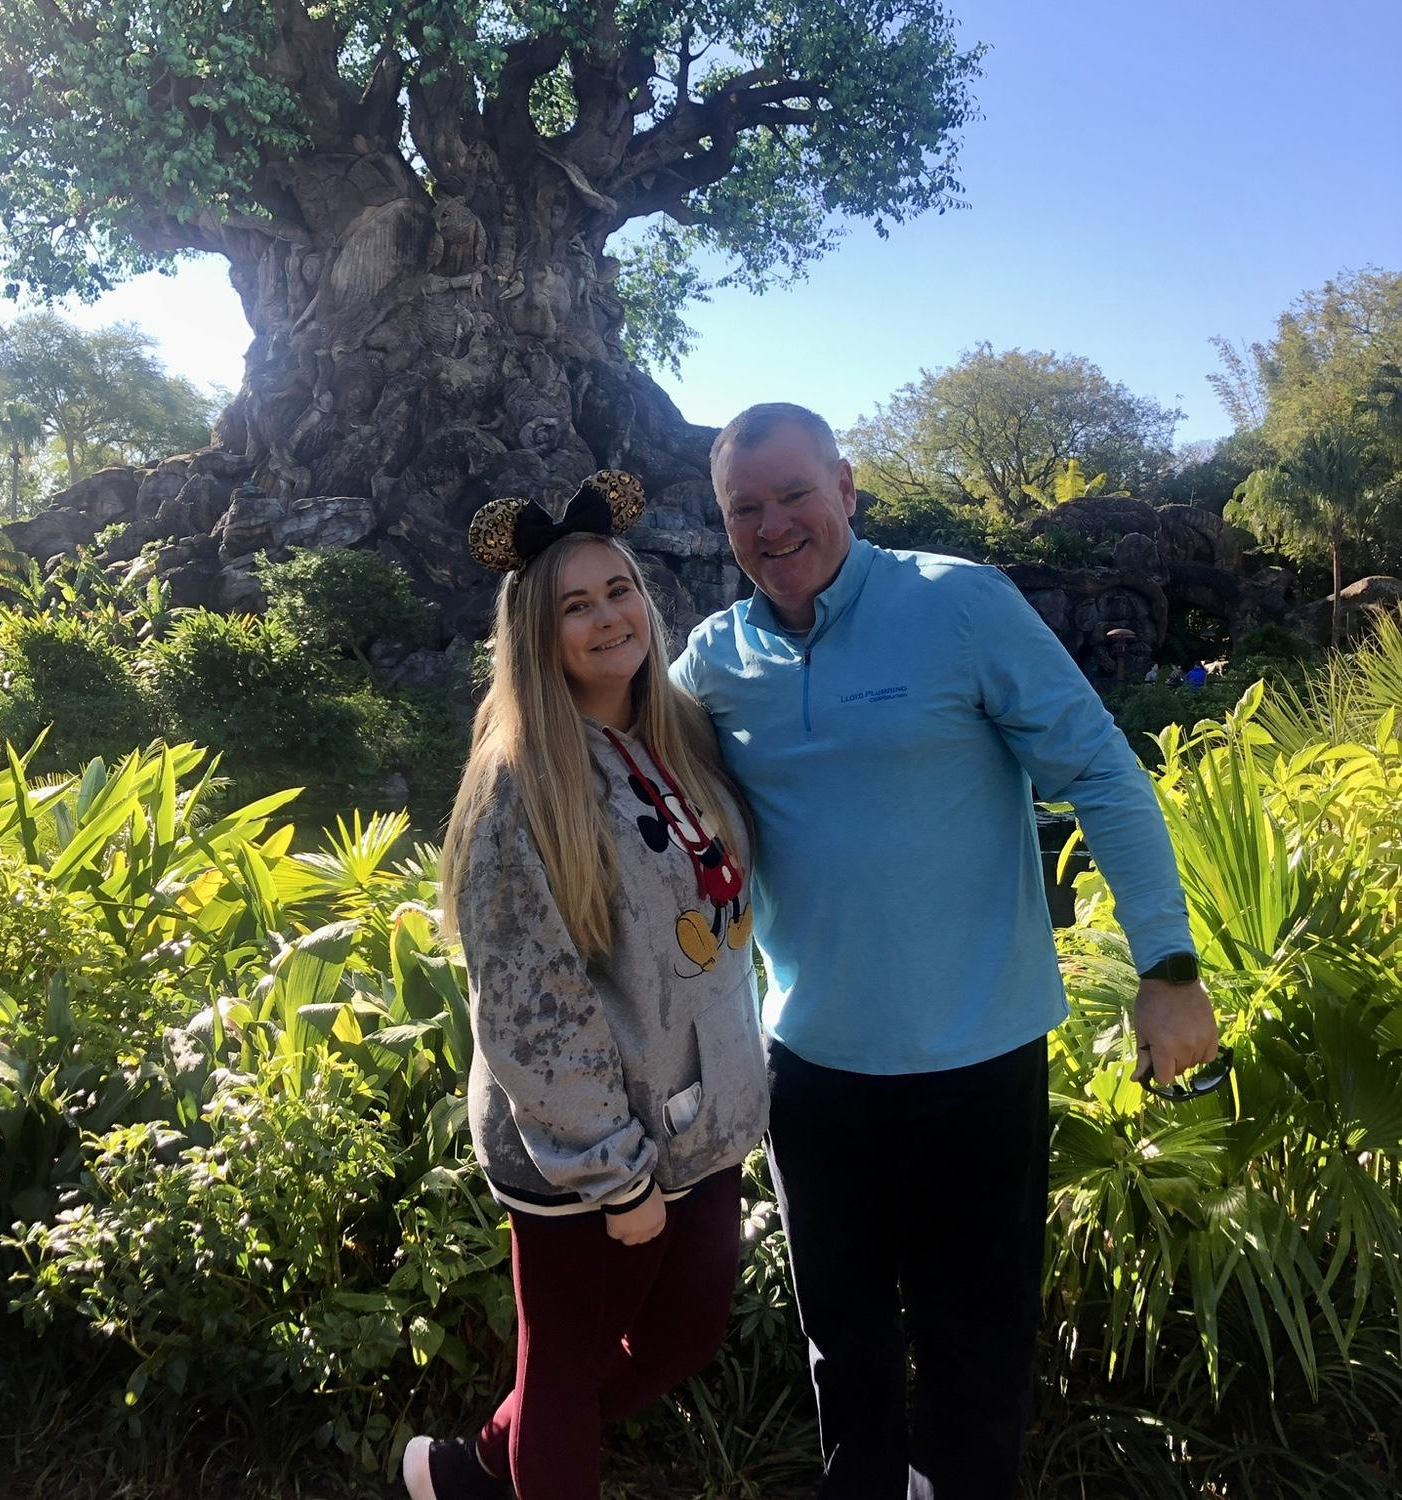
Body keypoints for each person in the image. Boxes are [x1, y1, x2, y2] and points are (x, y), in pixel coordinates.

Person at [672, 404, 1219, 1500]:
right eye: (745, 508)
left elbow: (1103, 776)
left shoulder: (959, 604)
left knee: (976, 1360)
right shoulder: (714, 663)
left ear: (848, 488)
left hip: (976, 1060)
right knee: (845, 1350)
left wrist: (1167, 969)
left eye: (793, 495)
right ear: (724, 524)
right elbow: (626, 787)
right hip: (813, 1069)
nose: (773, 525)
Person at [406, 470, 768, 1500]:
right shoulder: (524, 786)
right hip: (583, 1152)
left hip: (699, 1123)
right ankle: (518, 1460)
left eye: (620, 591)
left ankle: (478, 1464)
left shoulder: (676, 735)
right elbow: (529, 1009)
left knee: (687, 1333)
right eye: (577, 604)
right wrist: (614, 1174)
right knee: (562, 1373)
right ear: (537, 634)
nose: (611, 617)